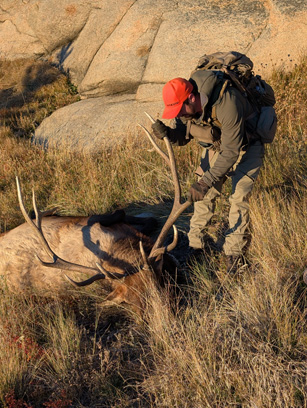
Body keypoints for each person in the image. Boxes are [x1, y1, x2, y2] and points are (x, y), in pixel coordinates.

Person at [151, 69, 264, 273]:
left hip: (249, 141)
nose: (179, 115)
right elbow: (183, 135)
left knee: (239, 196)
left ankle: (234, 255)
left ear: (191, 97)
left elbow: (231, 152)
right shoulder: (186, 106)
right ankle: (197, 246)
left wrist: (204, 181)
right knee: (203, 195)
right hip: (221, 142)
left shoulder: (227, 101)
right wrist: (168, 134)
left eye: (180, 110)